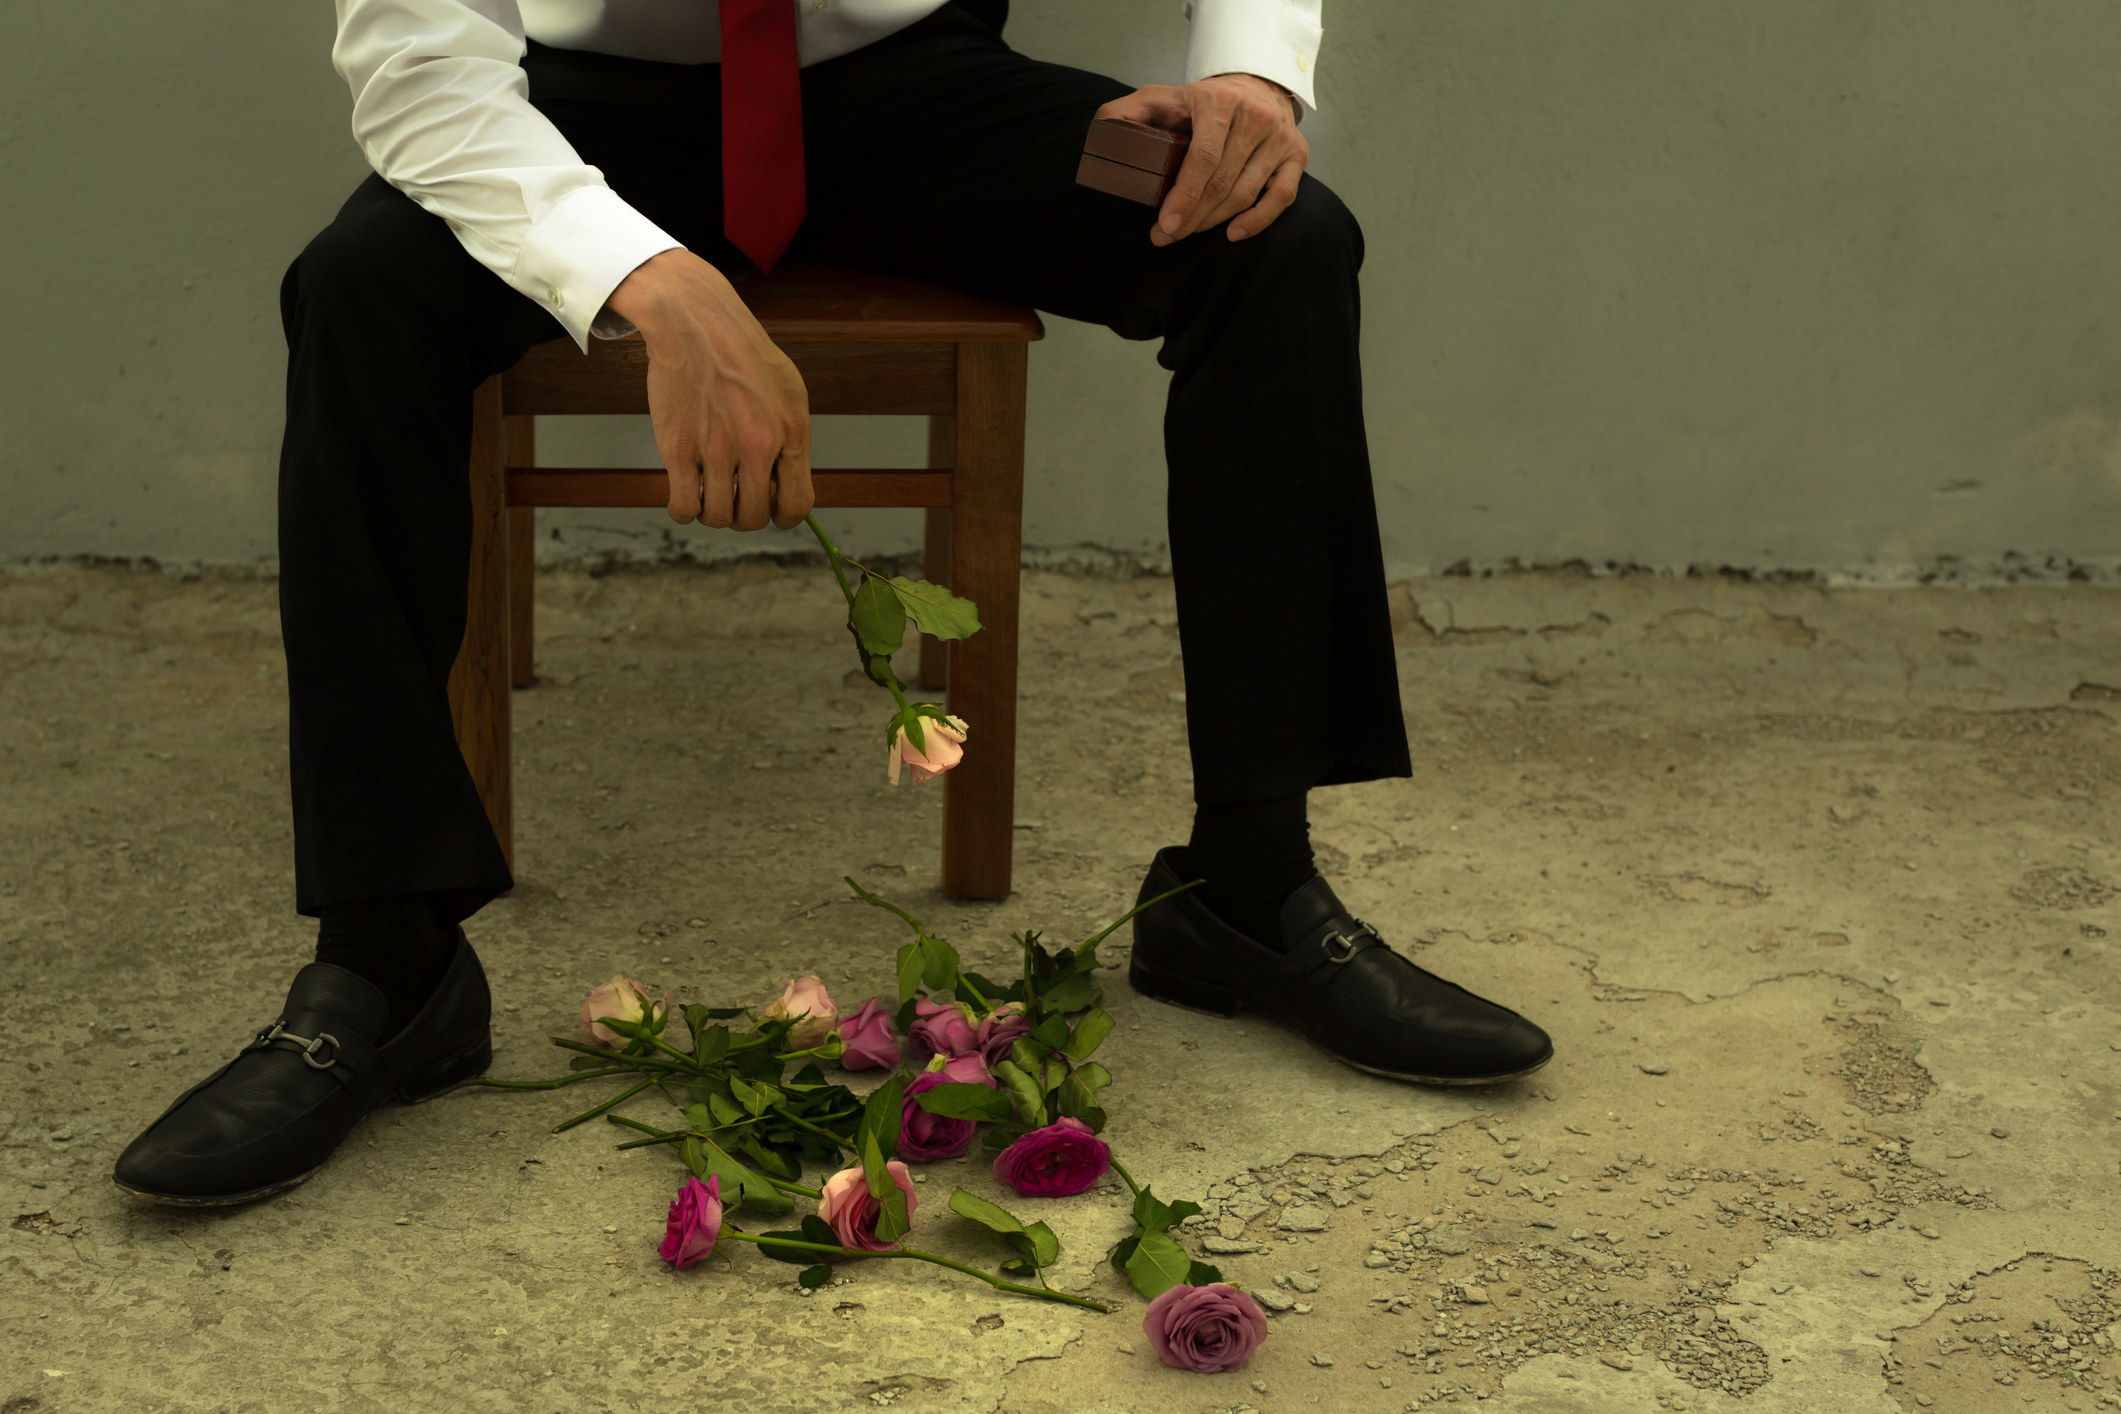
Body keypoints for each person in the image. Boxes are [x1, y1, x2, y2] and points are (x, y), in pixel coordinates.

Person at [112, 0, 1552, 1207]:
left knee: (1282, 242)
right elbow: (420, 63)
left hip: (906, 90)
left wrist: (1247, 74)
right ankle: (387, 961)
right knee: (356, 294)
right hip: (579, 114)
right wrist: (655, 283)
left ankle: (1242, 886)